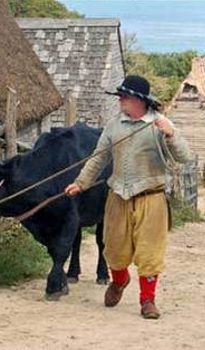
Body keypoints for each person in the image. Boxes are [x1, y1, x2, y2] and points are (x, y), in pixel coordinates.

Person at [65, 75, 192, 320]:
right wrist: (81, 183)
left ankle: (147, 301)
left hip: (151, 198)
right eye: (121, 95)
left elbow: (185, 157)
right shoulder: (114, 125)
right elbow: (99, 157)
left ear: (140, 100)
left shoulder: (159, 124)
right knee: (113, 248)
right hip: (118, 196)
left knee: (149, 252)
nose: (121, 100)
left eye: (125, 96)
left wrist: (171, 134)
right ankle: (120, 281)